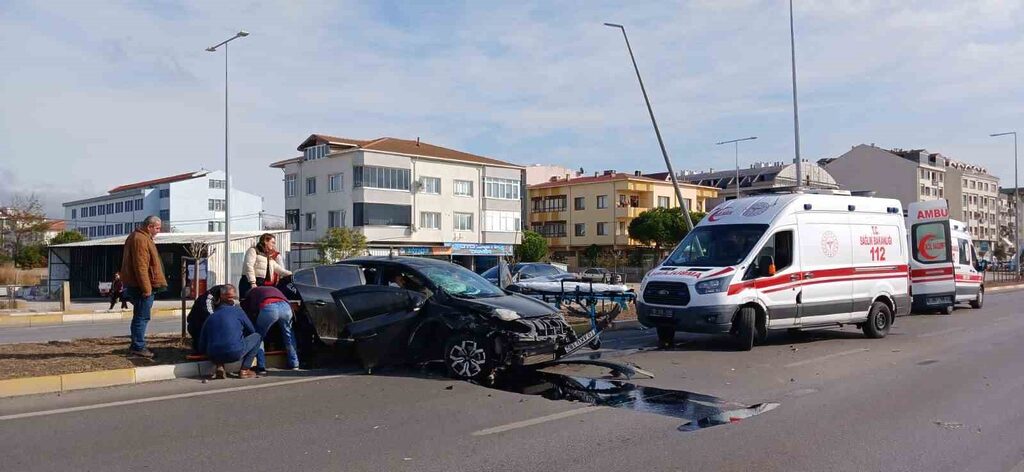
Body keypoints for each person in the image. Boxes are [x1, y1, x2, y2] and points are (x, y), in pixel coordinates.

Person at [120, 216, 167, 358]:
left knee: (140, 316)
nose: (159, 231)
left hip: (138, 284)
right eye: (157, 228)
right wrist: (147, 288)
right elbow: (141, 266)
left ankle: (137, 345)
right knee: (142, 317)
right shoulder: (140, 239)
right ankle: (138, 347)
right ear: (149, 227)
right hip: (142, 287)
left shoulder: (139, 237)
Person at [198, 285, 262, 380]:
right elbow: (252, 331)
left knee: (218, 343)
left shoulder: (210, 317)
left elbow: (201, 345)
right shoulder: (238, 311)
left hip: (213, 355)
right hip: (234, 352)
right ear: (233, 299)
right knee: (257, 336)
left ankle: (219, 366)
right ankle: (244, 370)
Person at [241, 285, 299, 370]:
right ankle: (294, 363)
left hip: (269, 307)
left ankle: (261, 366)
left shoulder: (251, 294)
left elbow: (252, 310)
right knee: (288, 335)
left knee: (258, 336)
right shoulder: (271, 289)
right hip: (286, 307)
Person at [240, 233, 292, 298]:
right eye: (272, 242)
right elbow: (249, 266)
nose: (274, 245)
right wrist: (252, 283)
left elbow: (280, 270)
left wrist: (292, 275)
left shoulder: (268, 256)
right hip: (249, 283)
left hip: (261, 283)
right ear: (265, 241)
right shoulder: (253, 251)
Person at [186, 284, 234, 352]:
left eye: (232, 297)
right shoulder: (207, 300)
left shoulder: (225, 299)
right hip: (197, 326)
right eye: (229, 297)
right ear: (222, 295)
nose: (231, 300)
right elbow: (211, 317)